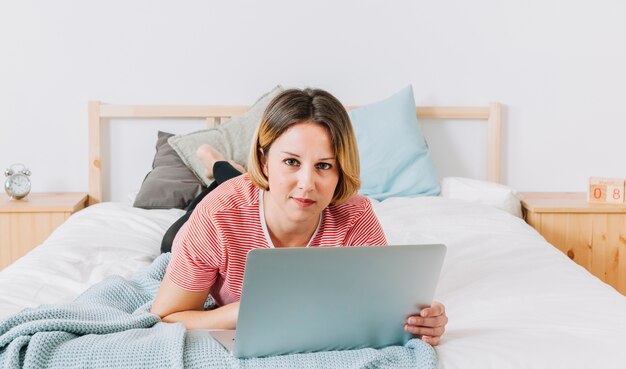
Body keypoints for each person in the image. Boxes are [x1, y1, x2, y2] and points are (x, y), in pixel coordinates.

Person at [151, 88, 448, 346]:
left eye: (324, 166)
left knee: (247, 181)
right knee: (176, 233)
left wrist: (421, 319)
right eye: (291, 161)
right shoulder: (217, 216)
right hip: (224, 200)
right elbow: (165, 317)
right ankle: (215, 162)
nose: (307, 183)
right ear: (265, 161)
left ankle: (227, 166)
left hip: (262, 188)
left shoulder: (356, 216)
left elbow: (385, 308)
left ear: (341, 169)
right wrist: (239, 313)